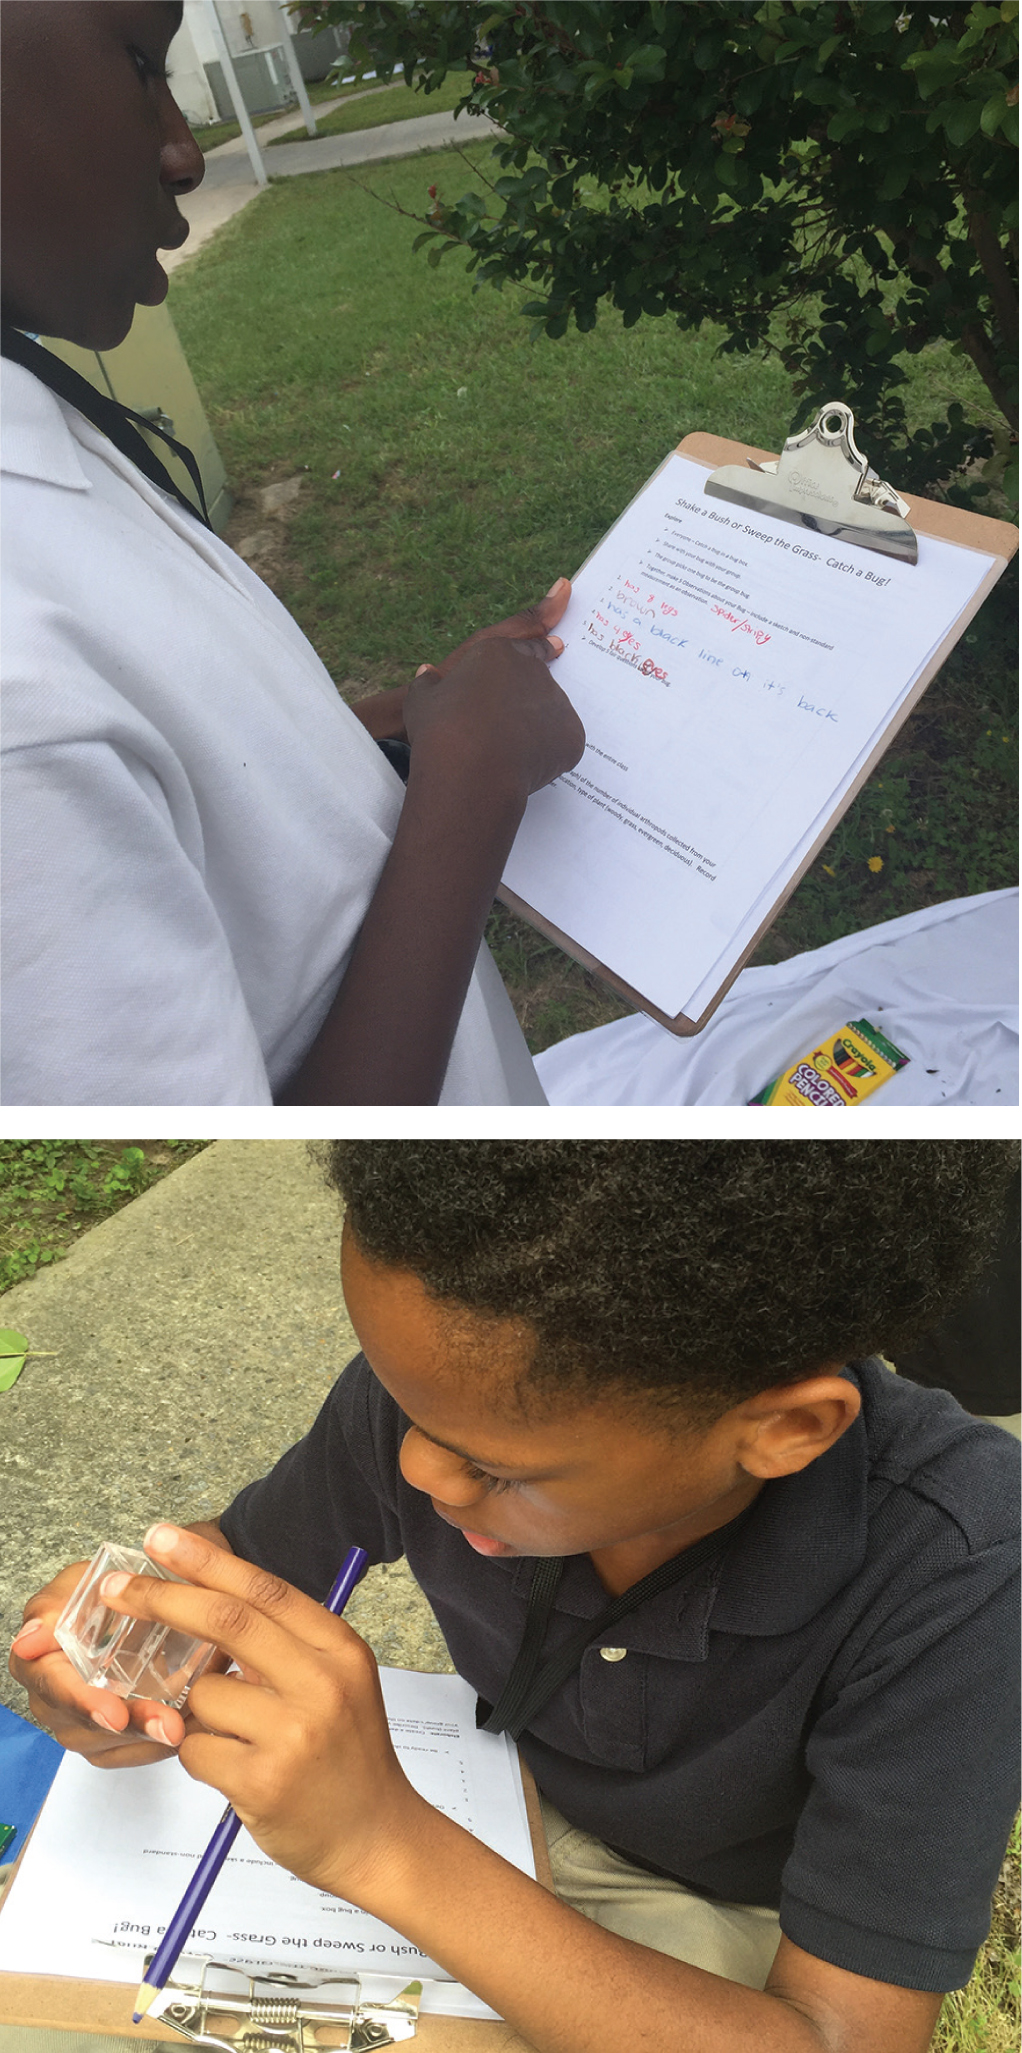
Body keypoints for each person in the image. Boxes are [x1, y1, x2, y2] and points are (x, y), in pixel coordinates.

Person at [12, 1140, 1020, 2053]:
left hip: (692, 1919)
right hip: (473, 1796)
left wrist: (378, 1842)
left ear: (787, 1430)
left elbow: (839, 2036)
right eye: (403, 1406)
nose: (419, 1471)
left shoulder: (962, 1571)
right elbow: (239, 1569)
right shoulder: (453, 1395)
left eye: (496, 1469)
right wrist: (132, 1665)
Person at [0, 1, 583, 1105]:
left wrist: (396, 725)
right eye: (141, 65)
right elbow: (286, 1168)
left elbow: (181, 771)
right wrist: (467, 784)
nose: (184, 149)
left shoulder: (39, 426)